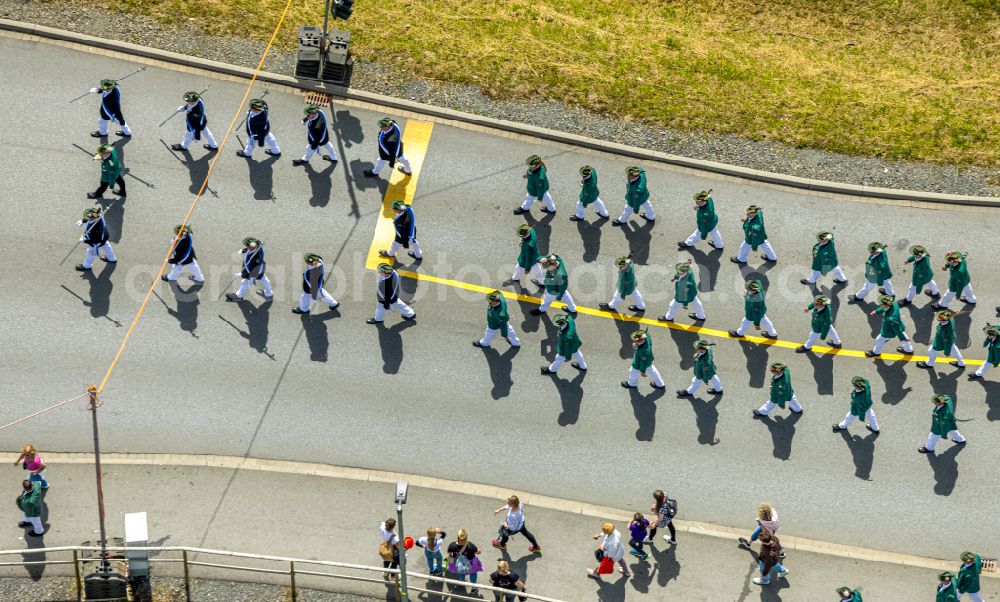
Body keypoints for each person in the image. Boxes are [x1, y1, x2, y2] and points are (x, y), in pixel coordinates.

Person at [226, 237, 273, 301]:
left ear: (252, 247)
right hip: (261, 267)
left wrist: (244, 274)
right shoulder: (257, 246)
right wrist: (244, 250)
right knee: (263, 278)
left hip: (254, 271)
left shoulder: (255, 258)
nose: (246, 247)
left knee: (245, 282)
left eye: (247, 246)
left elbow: (252, 268)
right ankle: (269, 293)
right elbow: (251, 248)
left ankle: (239, 296)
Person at [74, 207, 117, 272]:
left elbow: (95, 241)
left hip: (97, 242)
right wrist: (83, 221)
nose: (88, 219)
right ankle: (112, 259)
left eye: (89, 218)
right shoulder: (98, 216)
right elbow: (89, 216)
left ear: (94, 218)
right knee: (106, 246)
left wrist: (84, 240)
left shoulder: (97, 229)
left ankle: (87, 266)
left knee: (91, 253)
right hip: (104, 238)